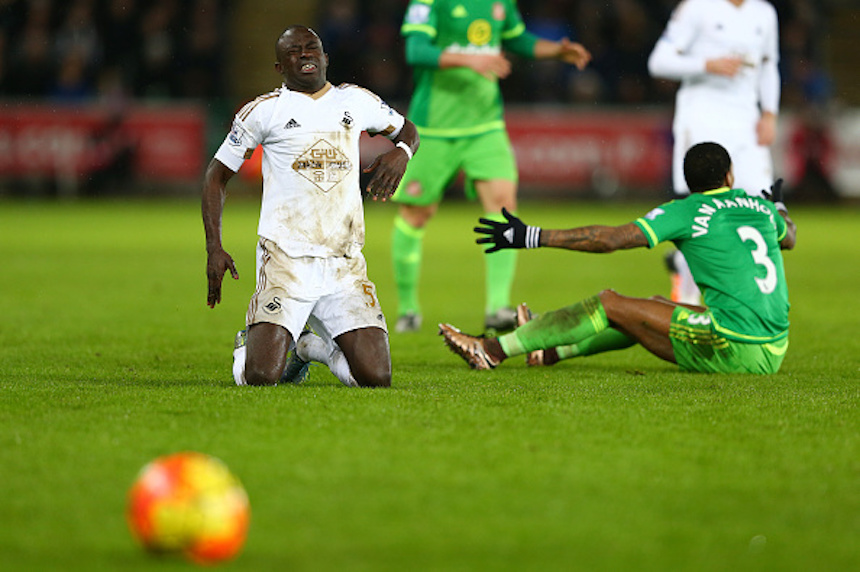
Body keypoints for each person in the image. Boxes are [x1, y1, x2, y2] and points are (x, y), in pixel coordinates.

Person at [439, 142, 796, 375]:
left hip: (736, 343)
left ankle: (491, 349)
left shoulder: (687, 210)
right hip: (774, 347)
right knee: (652, 307)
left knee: (611, 304)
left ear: (688, 182)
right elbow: (790, 238)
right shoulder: (762, 208)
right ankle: (550, 351)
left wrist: (531, 236)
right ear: (729, 175)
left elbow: (609, 239)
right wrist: (778, 204)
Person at [202, 25, 419, 387]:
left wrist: (402, 152)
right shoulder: (263, 111)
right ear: (279, 67)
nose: (305, 55)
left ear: (325, 57)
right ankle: (249, 344)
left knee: (375, 377)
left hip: (343, 263)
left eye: (312, 48)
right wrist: (214, 246)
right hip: (285, 260)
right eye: (293, 51)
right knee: (261, 376)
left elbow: (407, 130)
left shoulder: (356, 101)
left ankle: (309, 349)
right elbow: (215, 176)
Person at [390, 0, 592, 333]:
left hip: (486, 126)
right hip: (435, 128)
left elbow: (517, 39)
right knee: (416, 214)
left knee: (503, 205)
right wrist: (472, 60)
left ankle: (497, 307)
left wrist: (556, 51)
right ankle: (408, 309)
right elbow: (416, 51)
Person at [648, 0, 781, 304]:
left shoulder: (764, 12)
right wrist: (706, 64)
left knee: (760, 205)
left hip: (747, 121)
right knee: (702, 211)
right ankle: (687, 293)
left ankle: (741, 292)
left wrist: (770, 113)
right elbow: (658, 62)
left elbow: (769, 64)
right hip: (702, 117)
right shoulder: (696, 8)